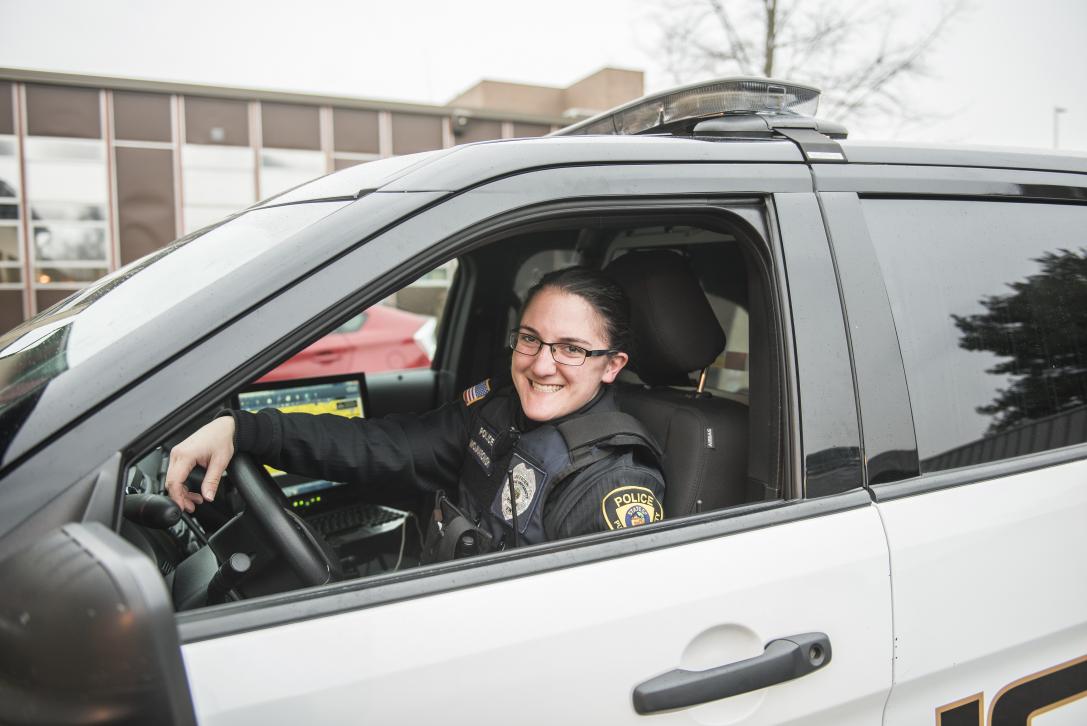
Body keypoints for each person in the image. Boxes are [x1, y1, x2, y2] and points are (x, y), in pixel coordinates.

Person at [165, 267, 666, 559]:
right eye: (531, 339)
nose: (540, 365)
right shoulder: (497, 412)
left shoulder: (609, 481)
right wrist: (245, 429)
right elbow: (381, 447)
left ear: (611, 366)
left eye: (572, 349)